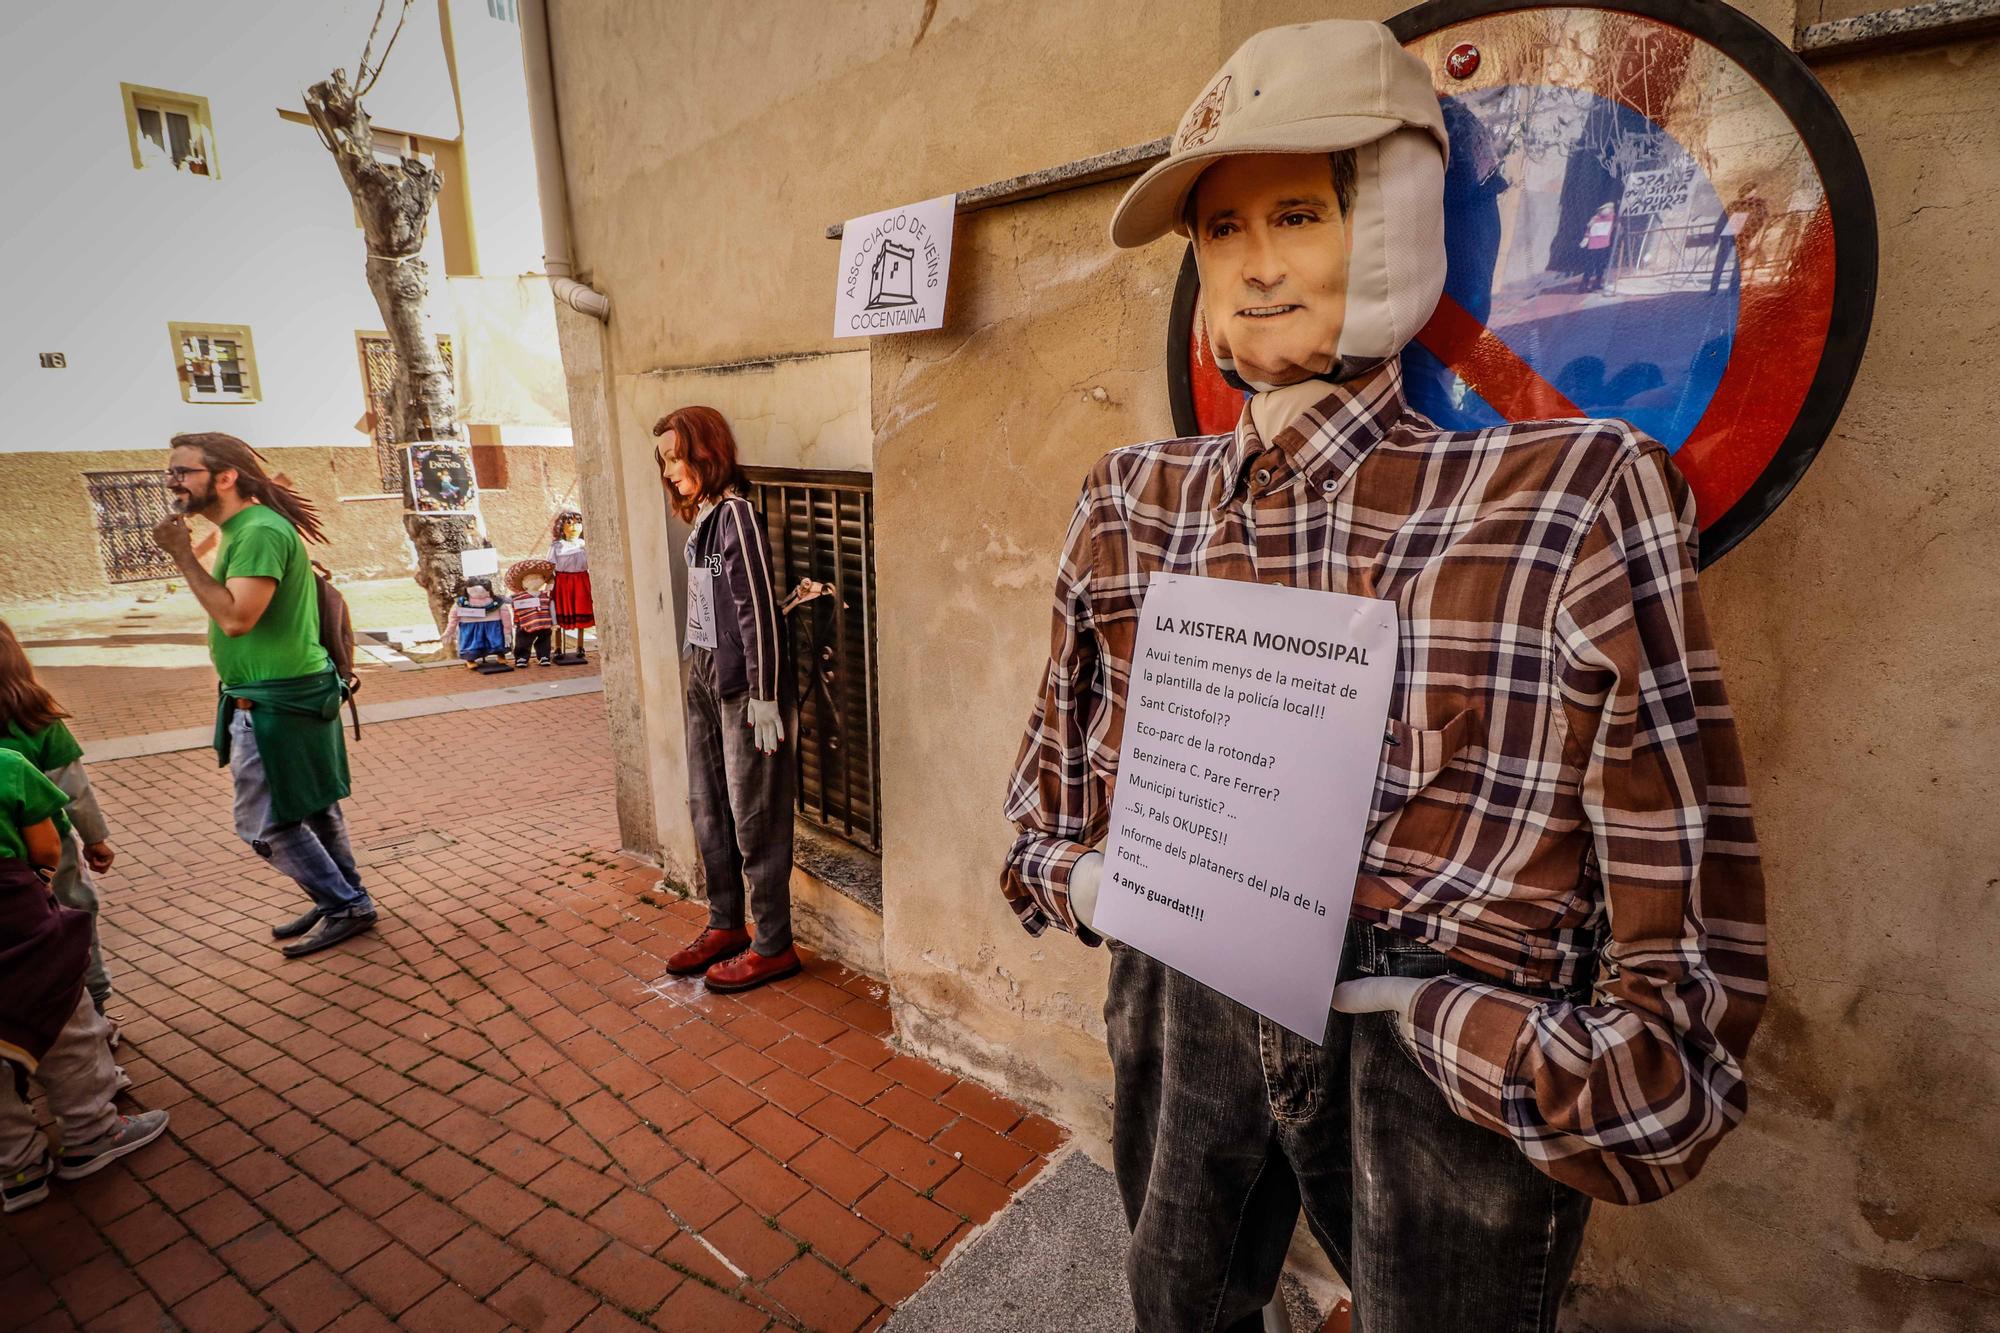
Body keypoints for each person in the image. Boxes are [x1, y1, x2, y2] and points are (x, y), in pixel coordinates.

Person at [1001, 21, 1765, 1332]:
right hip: (1190, 976)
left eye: (1296, 212)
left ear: (1406, 211)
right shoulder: (1135, 499)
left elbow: (1682, 978)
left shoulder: (1571, 499)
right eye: (1223, 229)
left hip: (1434, 1042)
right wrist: (1099, 880)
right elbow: (1044, 808)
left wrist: (1449, 1017)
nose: (1254, 266)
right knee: (1175, 1298)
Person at [151, 432, 380, 958]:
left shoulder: (255, 531)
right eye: (171, 472)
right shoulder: (245, 528)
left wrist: (183, 556)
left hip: (279, 702)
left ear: (224, 477)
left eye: (183, 471)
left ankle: (345, 903)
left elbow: (236, 618)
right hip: (284, 695)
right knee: (315, 808)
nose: (173, 481)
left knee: (263, 824)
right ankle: (344, 898)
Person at [653, 405, 801, 993]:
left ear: (706, 451)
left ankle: (773, 944)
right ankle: (725, 923)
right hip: (702, 671)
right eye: (663, 459)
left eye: (675, 456)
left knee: (754, 813)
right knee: (707, 804)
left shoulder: (737, 514)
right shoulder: (706, 519)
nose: (668, 470)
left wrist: (763, 693)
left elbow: (757, 604)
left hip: (743, 683)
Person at [0, 748, 168, 1213]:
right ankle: (93, 1134)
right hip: (16, 927)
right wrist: (42, 879)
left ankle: (17, 1169)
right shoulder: (8, 767)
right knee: (67, 1031)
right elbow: (48, 846)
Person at [0, 619, 117, 1014]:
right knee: (75, 915)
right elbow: (73, 791)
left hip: (6, 860)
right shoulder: (38, 719)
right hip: (51, 849)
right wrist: (96, 840)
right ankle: (95, 1004)